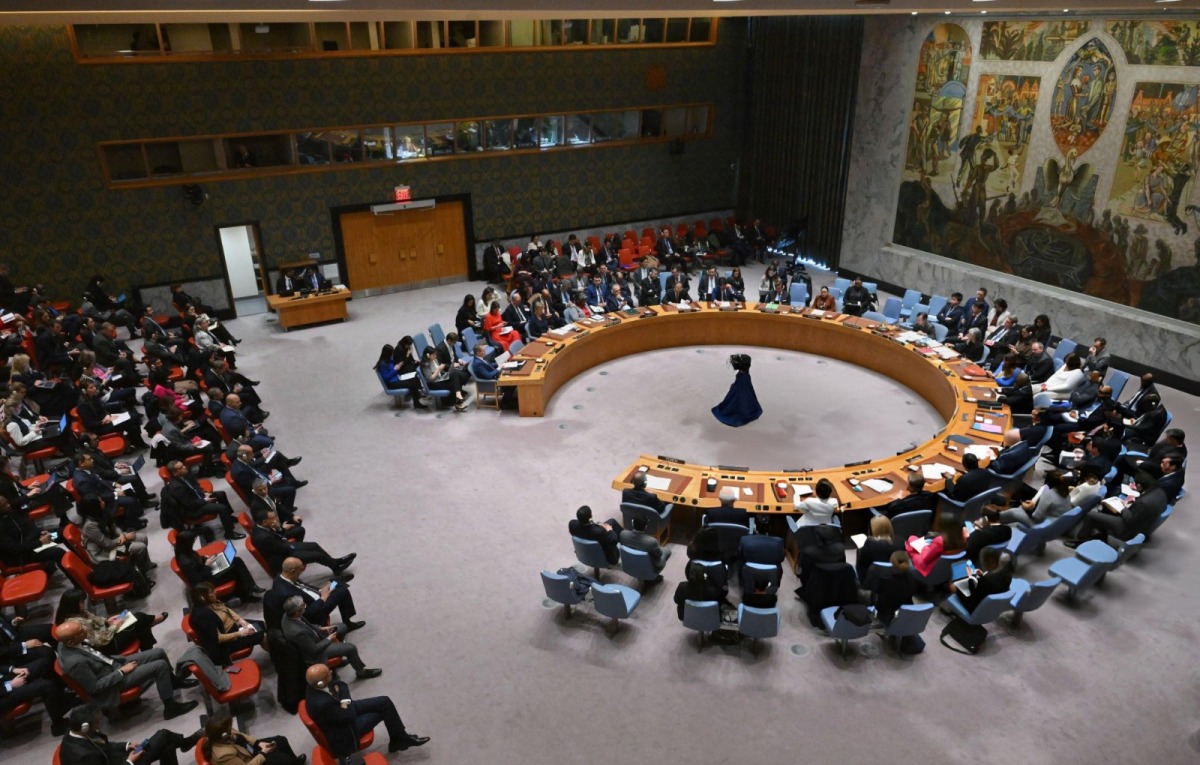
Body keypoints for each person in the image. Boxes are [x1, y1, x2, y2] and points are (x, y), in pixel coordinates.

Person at [54, 621, 199, 719]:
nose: (85, 630)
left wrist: (120, 660)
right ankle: (170, 707)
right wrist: (122, 671)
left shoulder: (68, 642)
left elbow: (96, 655)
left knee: (159, 652)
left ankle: (172, 682)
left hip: (113, 664)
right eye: (81, 631)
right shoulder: (75, 662)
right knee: (159, 665)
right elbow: (95, 687)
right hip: (113, 682)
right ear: (71, 641)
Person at [303, 664, 429, 756]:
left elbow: (341, 685)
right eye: (328, 674)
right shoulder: (322, 703)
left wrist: (343, 701)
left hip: (341, 712)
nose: (331, 672)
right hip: (346, 730)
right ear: (320, 683)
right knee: (382, 712)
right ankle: (399, 740)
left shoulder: (313, 685)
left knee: (385, 701)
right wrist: (344, 700)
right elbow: (349, 714)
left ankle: (400, 738)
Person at [59, 704, 201, 765]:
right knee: (163, 735)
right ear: (85, 727)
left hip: (118, 759)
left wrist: (127, 746)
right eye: (97, 723)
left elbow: (105, 746)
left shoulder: (74, 730)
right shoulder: (83, 757)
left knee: (168, 746)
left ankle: (186, 743)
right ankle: (187, 742)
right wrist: (129, 762)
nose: (100, 726)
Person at [280, 596, 381, 679]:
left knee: (342, 627)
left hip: (315, 636)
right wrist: (329, 639)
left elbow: (306, 624)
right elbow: (313, 650)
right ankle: (361, 672)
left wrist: (321, 628)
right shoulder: (297, 632)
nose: (305, 607)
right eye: (303, 606)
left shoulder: (289, 614)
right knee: (350, 648)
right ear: (297, 611)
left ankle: (339, 657)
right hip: (317, 651)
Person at [1067, 473, 1168, 546]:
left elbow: (1130, 521)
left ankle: (1080, 540)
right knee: (1105, 514)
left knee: (1091, 515)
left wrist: (1124, 508)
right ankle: (1099, 533)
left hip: (1126, 530)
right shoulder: (1160, 493)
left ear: (1139, 486)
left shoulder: (1143, 502)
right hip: (1141, 524)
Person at [266, 557, 363, 632]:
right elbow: (306, 613)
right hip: (315, 610)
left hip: (315, 596)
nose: (301, 573)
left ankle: (337, 582)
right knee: (343, 591)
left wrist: (319, 590)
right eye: (300, 571)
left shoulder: (283, 575)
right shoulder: (285, 593)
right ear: (293, 571)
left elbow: (303, 586)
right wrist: (323, 597)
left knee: (334, 584)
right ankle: (348, 623)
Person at [252, 507, 355, 576]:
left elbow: (279, 542)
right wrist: (292, 546)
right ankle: (336, 568)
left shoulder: (262, 527)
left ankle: (335, 562)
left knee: (314, 545)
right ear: (264, 522)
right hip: (281, 557)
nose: (275, 519)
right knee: (315, 555)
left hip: (283, 547)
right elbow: (281, 548)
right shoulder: (264, 537)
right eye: (272, 518)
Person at [172, 529, 263, 603]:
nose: (193, 543)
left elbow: (195, 559)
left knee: (236, 561)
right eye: (192, 541)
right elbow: (198, 580)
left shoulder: (183, 550)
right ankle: (248, 592)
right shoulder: (186, 562)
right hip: (207, 580)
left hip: (206, 570)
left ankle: (248, 590)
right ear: (187, 543)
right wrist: (207, 565)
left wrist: (204, 558)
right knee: (236, 568)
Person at [186, 582, 266, 667]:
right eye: (211, 592)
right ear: (202, 597)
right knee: (263, 636)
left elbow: (225, 609)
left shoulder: (211, 602)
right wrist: (241, 633)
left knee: (263, 625)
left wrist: (240, 620)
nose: (215, 593)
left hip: (235, 627)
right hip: (229, 641)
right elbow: (219, 638)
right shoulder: (204, 616)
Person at [161, 461, 242, 540]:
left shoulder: (184, 474)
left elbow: (195, 486)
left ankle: (229, 517)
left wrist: (203, 493)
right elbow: (190, 505)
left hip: (197, 498)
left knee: (221, 494)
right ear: (175, 473)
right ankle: (229, 533)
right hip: (193, 510)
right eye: (181, 468)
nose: (184, 467)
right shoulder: (177, 487)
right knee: (222, 508)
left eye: (183, 465)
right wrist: (205, 500)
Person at [77, 494, 154, 576]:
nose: (103, 502)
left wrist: (121, 534)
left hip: (113, 539)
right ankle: (139, 573)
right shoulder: (90, 526)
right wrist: (124, 537)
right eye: (100, 502)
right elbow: (108, 545)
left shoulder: (99, 513)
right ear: (94, 507)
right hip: (106, 551)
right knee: (140, 547)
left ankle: (143, 566)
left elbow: (114, 526)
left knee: (143, 538)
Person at [202, 711, 304, 765]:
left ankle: (296, 763)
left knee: (281, 740)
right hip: (251, 760)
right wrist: (263, 753)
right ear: (223, 735)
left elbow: (243, 736)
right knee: (282, 760)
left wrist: (258, 743)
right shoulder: (223, 756)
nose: (232, 729)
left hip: (249, 750)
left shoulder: (223, 732)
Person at [993, 470, 1072, 527]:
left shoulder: (1048, 493)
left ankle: (994, 518)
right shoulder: (1066, 494)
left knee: (1015, 512)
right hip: (1056, 526)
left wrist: (1026, 508)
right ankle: (998, 520)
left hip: (1040, 526)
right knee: (1019, 509)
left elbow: (1036, 517)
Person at [904, 512, 967, 577]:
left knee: (912, 539)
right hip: (949, 565)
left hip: (932, 568)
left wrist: (922, 547)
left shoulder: (940, 541)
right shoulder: (963, 539)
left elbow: (926, 557)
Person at [954, 547, 1013, 613]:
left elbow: (971, 591)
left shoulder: (988, 581)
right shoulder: (1007, 579)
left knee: (956, 578)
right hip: (986, 610)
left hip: (972, 606)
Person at [711, 353, 762, 427]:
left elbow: (742, 397)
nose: (733, 365)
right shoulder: (743, 376)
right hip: (741, 387)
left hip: (739, 412)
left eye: (735, 363)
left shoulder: (743, 379)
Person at [419, 345, 468, 412]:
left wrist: (444, 372)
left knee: (455, 373)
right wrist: (439, 369)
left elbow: (440, 371)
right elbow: (430, 379)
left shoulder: (434, 360)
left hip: (440, 379)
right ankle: (458, 399)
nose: (435, 356)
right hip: (434, 384)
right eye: (433, 355)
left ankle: (458, 397)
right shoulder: (425, 364)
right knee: (455, 380)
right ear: (428, 355)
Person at [855, 515, 899, 581]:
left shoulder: (869, 543)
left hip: (874, 583)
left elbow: (861, 568)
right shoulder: (900, 541)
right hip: (897, 581)